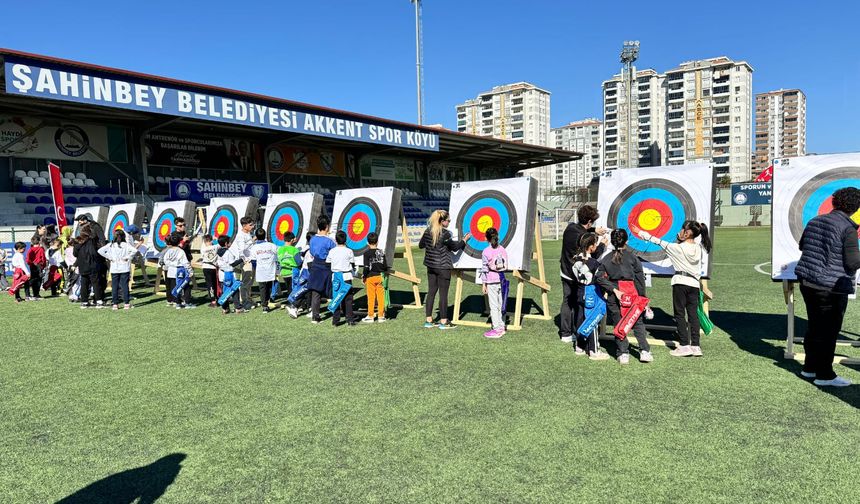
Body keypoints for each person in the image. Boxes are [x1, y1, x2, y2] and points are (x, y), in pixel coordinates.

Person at [794, 187, 860, 387]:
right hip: (831, 287)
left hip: (808, 282)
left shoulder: (815, 221)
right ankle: (825, 374)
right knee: (829, 331)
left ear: (834, 202)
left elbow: (802, 245)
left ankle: (809, 368)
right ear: (855, 207)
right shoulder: (848, 228)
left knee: (815, 326)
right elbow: (852, 263)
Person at [637, 220, 712, 357]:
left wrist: (640, 233)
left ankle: (684, 345)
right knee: (693, 315)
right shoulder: (700, 248)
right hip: (694, 285)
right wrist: (680, 239)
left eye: (683, 229)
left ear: (687, 233)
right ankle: (695, 346)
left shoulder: (677, 248)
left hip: (680, 283)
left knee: (679, 314)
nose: (681, 230)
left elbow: (657, 241)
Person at [595, 229, 653, 364]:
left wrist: (613, 290)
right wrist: (642, 298)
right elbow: (640, 280)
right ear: (626, 241)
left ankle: (623, 353)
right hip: (632, 293)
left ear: (613, 242)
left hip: (614, 294)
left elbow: (599, 278)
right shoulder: (632, 257)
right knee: (637, 322)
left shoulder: (607, 258)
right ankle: (644, 351)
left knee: (618, 322)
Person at [559, 205, 607, 343]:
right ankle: (579, 331)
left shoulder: (570, 228)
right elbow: (594, 253)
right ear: (590, 221)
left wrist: (593, 230)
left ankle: (565, 333)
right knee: (580, 303)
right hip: (580, 274)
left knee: (567, 301)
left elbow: (580, 228)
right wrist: (602, 244)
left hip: (565, 271)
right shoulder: (585, 238)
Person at [418, 209, 470, 330]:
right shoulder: (445, 234)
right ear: (442, 221)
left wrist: (433, 244)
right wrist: (464, 240)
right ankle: (443, 322)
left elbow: (421, 245)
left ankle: (429, 320)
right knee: (443, 294)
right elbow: (456, 247)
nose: (449, 222)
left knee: (431, 292)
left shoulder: (428, 231)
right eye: (448, 220)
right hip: (443, 267)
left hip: (430, 266)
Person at [569, 232, 609, 360]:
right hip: (591, 293)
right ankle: (594, 350)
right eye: (595, 245)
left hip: (579, 292)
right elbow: (599, 278)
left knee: (581, 318)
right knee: (592, 320)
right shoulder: (593, 263)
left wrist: (602, 245)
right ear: (591, 247)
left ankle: (579, 347)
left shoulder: (575, 259)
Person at [98, 229, 138, 310]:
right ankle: (126, 304)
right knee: (124, 286)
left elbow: (100, 251)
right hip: (124, 268)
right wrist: (128, 257)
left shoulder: (111, 245)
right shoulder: (126, 245)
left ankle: (115, 304)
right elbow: (135, 250)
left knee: (115, 286)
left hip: (114, 268)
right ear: (123, 236)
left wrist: (110, 257)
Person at [480, 227, 508, 339]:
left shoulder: (486, 251)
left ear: (486, 238)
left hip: (491, 280)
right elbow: (506, 266)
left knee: (494, 305)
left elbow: (484, 268)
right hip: (501, 279)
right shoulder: (502, 249)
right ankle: (502, 326)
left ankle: (497, 329)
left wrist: (483, 284)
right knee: (501, 304)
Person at [307, 215, 336, 324]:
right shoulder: (330, 240)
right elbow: (335, 253)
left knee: (316, 291)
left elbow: (312, 252)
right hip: (326, 266)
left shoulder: (313, 239)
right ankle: (337, 312)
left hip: (315, 265)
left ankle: (315, 316)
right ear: (327, 227)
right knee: (331, 289)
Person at [327, 230, 357, 326]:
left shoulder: (332, 251)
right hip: (346, 276)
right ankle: (350, 319)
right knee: (348, 298)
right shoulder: (349, 251)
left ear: (336, 240)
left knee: (336, 297)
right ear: (346, 240)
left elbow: (328, 262)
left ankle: (335, 321)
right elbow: (352, 264)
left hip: (336, 276)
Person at [159, 232, 194, 309]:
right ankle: (187, 303)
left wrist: (172, 264)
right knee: (186, 286)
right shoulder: (180, 251)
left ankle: (177, 303)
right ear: (179, 242)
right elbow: (185, 262)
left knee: (174, 286)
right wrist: (190, 271)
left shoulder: (168, 251)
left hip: (171, 271)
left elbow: (166, 261)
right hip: (180, 271)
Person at [73, 226, 105, 309]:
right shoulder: (93, 241)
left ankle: (84, 301)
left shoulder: (78, 242)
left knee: (84, 284)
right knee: (96, 284)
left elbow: (75, 254)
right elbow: (97, 253)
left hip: (83, 266)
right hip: (93, 265)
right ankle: (99, 301)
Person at [361, 232, 388, 323]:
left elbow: (366, 267)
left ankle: (371, 316)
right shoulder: (381, 252)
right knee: (380, 297)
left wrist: (364, 276)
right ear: (377, 242)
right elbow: (385, 266)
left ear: (368, 242)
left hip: (370, 278)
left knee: (371, 297)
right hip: (380, 277)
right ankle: (381, 316)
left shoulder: (366, 253)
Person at [250, 228, 279, 313]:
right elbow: (277, 254)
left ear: (256, 236)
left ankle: (264, 306)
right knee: (269, 285)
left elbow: (253, 261)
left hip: (260, 270)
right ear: (265, 235)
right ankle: (267, 301)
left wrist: (256, 268)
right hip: (270, 269)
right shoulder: (272, 245)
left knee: (262, 287)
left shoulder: (254, 247)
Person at [229, 217, 256, 310]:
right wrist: (253, 240)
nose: (253, 226)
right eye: (251, 225)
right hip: (245, 261)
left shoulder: (247, 233)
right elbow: (242, 250)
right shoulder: (241, 235)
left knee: (250, 281)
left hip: (249, 259)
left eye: (253, 224)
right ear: (244, 226)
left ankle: (248, 299)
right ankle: (244, 301)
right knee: (245, 282)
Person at [216, 235, 243, 315]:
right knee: (234, 290)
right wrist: (241, 259)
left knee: (225, 291)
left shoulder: (218, 251)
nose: (230, 243)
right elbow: (233, 263)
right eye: (229, 241)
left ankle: (225, 309)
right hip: (229, 274)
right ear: (226, 243)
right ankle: (238, 308)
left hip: (222, 274)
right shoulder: (228, 252)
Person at [277, 231, 300, 298]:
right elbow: (299, 262)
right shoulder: (294, 250)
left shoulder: (279, 249)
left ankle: (290, 299)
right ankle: (293, 303)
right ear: (292, 240)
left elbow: (277, 261)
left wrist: (277, 272)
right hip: (293, 272)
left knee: (289, 288)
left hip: (283, 273)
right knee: (294, 288)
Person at [200, 234, 219, 307]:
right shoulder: (216, 246)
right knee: (215, 283)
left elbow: (204, 244)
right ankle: (217, 298)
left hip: (206, 267)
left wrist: (207, 239)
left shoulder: (203, 248)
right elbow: (221, 244)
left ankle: (213, 301)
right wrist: (215, 239)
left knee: (210, 284)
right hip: (214, 268)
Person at [25, 235, 46, 300]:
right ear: (39, 242)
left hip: (32, 266)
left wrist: (31, 263)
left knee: (34, 279)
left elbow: (28, 259)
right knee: (38, 280)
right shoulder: (41, 249)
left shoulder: (30, 250)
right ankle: (36, 294)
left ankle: (31, 294)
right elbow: (43, 258)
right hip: (39, 266)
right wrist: (43, 265)